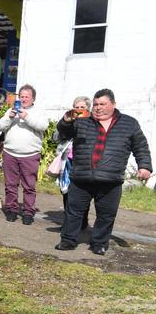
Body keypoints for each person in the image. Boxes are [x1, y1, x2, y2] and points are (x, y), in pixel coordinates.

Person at [55, 88, 152, 255]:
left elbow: (140, 146)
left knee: (106, 215)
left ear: (113, 104)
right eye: (96, 104)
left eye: (103, 104)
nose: (98, 107)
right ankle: (68, 241)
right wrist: (66, 120)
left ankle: (99, 243)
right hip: (81, 177)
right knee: (74, 212)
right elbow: (64, 133)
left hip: (111, 179)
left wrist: (145, 166)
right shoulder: (82, 120)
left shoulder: (129, 123)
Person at [0, 84, 49, 224]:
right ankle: (12, 209)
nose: (24, 99)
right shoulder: (11, 110)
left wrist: (26, 117)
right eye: (22, 96)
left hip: (30, 154)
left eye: (27, 97)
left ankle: (28, 212)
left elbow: (43, 126)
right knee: (10, 185)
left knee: (29, 186)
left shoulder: (39, 111)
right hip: (10, 153)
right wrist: (10, 116)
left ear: (33, 98)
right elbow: (0, 127)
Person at [54, 96, 92, 229]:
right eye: (77, 107)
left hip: (84, 163)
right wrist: (67, 124)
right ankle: (69, 222)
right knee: (67, 193)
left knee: (83, 194)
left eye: (83, 107)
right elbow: (56, 136)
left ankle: (82, 222)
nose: (79, 110)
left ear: (88, 108)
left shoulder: (93, 122)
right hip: (68, 162)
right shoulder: (68, 119)